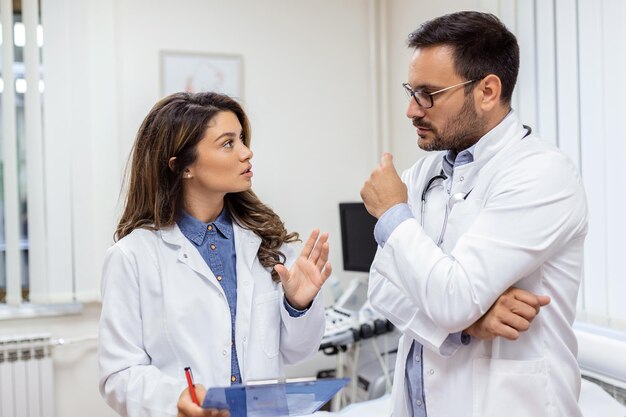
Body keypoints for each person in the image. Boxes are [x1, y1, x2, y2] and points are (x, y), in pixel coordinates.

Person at [360, 11, 588, 417]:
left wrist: (394, 212)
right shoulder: (425, 172)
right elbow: (381, 288)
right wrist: (467, 325)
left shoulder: (540, 174)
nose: (412, 111)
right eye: (411, 92)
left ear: (487, 91)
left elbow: (453, 298)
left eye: (428, 94)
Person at [98, 91, 332, 417]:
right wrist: (176, 399)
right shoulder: (132, 257)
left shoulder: (269, 243)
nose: (247, 152)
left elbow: (297, 352)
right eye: (228, 143)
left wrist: (298, 305)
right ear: (182, 167)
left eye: (242, 140)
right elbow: (119, 374)